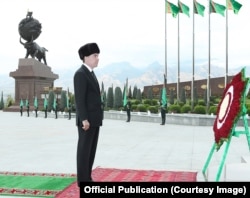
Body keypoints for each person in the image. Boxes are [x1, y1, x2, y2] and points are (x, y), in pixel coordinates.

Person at [73, 43, 103, 189]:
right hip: (87, 121)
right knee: (84, 151)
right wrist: (84, 118)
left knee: (91, 151)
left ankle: (87, 177)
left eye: (98, 55)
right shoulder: (80, 74)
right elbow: (79, 99)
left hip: (95, 120)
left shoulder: (91, 73)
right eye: (95, 56)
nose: (97, 59)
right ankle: (82, 181)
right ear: (85, 57)